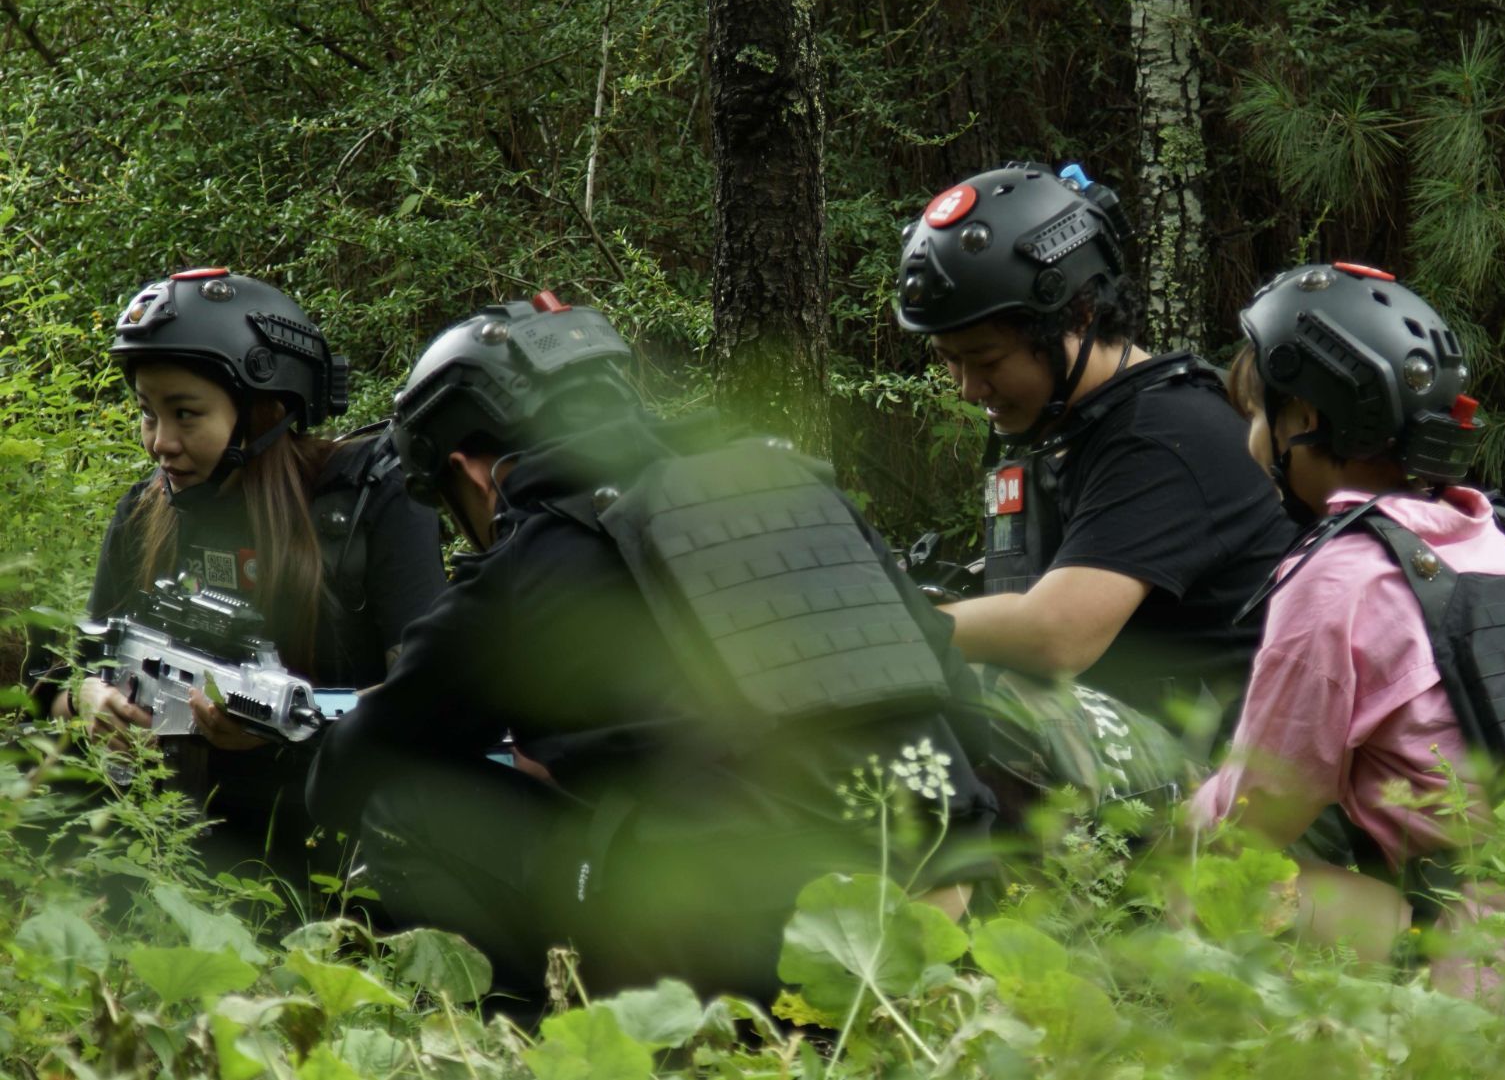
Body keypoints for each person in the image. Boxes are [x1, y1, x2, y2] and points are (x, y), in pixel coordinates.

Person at [306, 293, 996, 1001]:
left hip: (757, 951)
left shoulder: (535, 555)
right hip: (934, 913)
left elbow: (362, 752)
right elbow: (955, 694)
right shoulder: (792, 484)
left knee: (401, 803)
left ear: (471, 469)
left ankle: (553, 1032)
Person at [1192, 262, 1505, 993]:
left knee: (1209, 873)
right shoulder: (1499, 538)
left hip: (1500, 963)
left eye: (1260, 415)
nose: (1253, 440)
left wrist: (1177, 818)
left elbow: (1257, 814)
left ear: (1309, 418)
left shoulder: (1337, 575)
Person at [53, 267, 445, 885]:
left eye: (186, 414)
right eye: (148, 413)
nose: (160, 443)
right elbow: (70, 665)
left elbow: (428, 698)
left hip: (344, 849)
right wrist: (87, 701)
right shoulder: (144, 512)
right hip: (176, 846)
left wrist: (294, 719)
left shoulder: (369, 501)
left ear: (263, 410)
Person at [894, 162, 1298, 728]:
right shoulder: (1077, 427)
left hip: (1235, 769)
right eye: (950, 360)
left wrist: (889, 629)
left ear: (1079, 313)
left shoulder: (1162, 434)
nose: (969, 388)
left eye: (986, 360)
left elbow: (1056, 635)